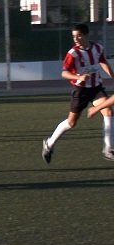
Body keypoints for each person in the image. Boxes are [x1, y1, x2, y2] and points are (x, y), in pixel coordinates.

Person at [42, 23, 113, 163]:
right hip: (80, 91)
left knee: (109, 111)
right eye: (74, 36)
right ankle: (49, 144)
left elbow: (103, 61)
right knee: (71, 122)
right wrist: (78, 77)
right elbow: (64, 73)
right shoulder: (73, 53)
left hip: (96, 88)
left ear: (86, 35)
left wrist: (113, 75)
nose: (76, 39)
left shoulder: (98, 48)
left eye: (79, 35)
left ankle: (109, 148)